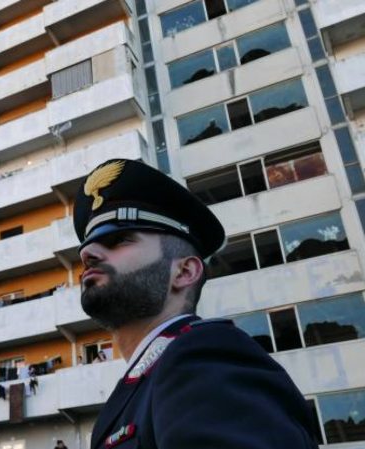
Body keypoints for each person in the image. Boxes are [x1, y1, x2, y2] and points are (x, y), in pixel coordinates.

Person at [73, 159, 318, 449]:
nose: (87, 253)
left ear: (184, 272)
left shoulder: (203, 355)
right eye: (88, 247)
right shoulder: (144, 382)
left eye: (120, 239)